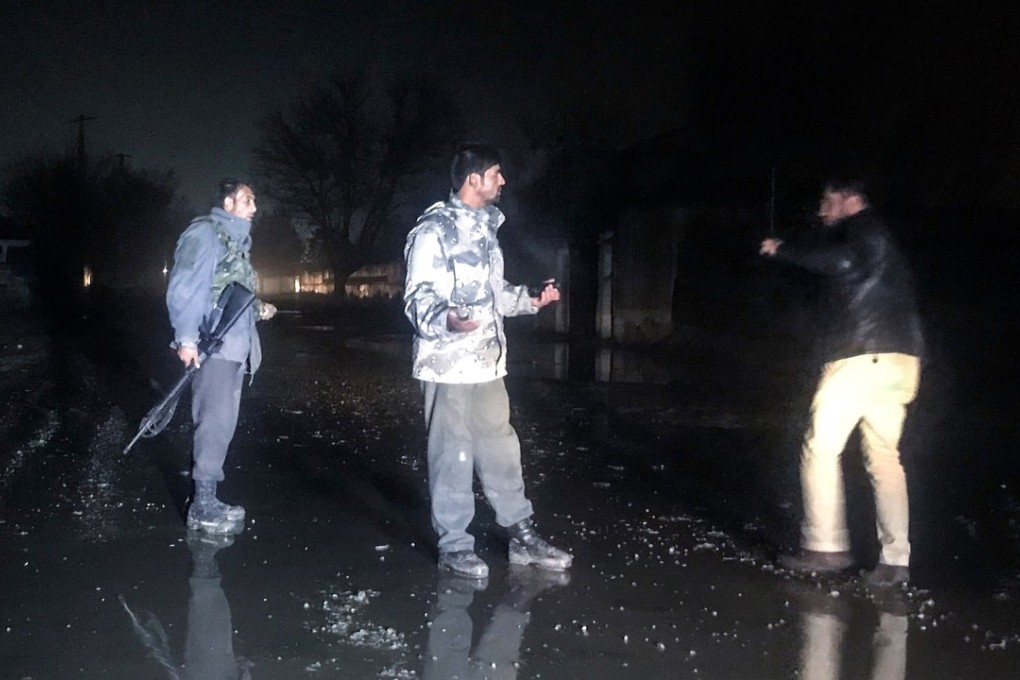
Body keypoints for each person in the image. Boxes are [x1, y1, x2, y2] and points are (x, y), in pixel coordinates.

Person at [403, 144, 572, 579]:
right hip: (447, 363)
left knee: (502, 447)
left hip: (487, 363)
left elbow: (491, 296)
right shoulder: (433, 231)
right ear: (473, 179)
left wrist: (529, 299)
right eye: (495, 173)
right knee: (452, 452)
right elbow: (417, 296)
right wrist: (446, 319)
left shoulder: (485, 230)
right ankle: (455, 544)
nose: (503, 181)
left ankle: (520, 533)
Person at [760, 177, 924, 586]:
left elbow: (842, 264)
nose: (821, 212)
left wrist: (783, 250)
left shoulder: (863, 229)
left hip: (860, 357)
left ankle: (825, 547)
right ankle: (895, 559)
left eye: (826, 202)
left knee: (820, 447)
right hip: (901, 359)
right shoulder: (888, 243)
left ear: (850, 199)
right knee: (885, 458)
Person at [167, 179, 276, 535]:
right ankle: (202, 504)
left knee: (222, 424)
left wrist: (258, 309)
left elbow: (229, 294)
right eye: (248, 199)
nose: (254, 207)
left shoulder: (236, 242)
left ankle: (209, 497)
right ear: (228, 203)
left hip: (234, 348)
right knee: (213, 422)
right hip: (213, 347)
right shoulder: (205, 235)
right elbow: (186, 288)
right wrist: (186, 339)